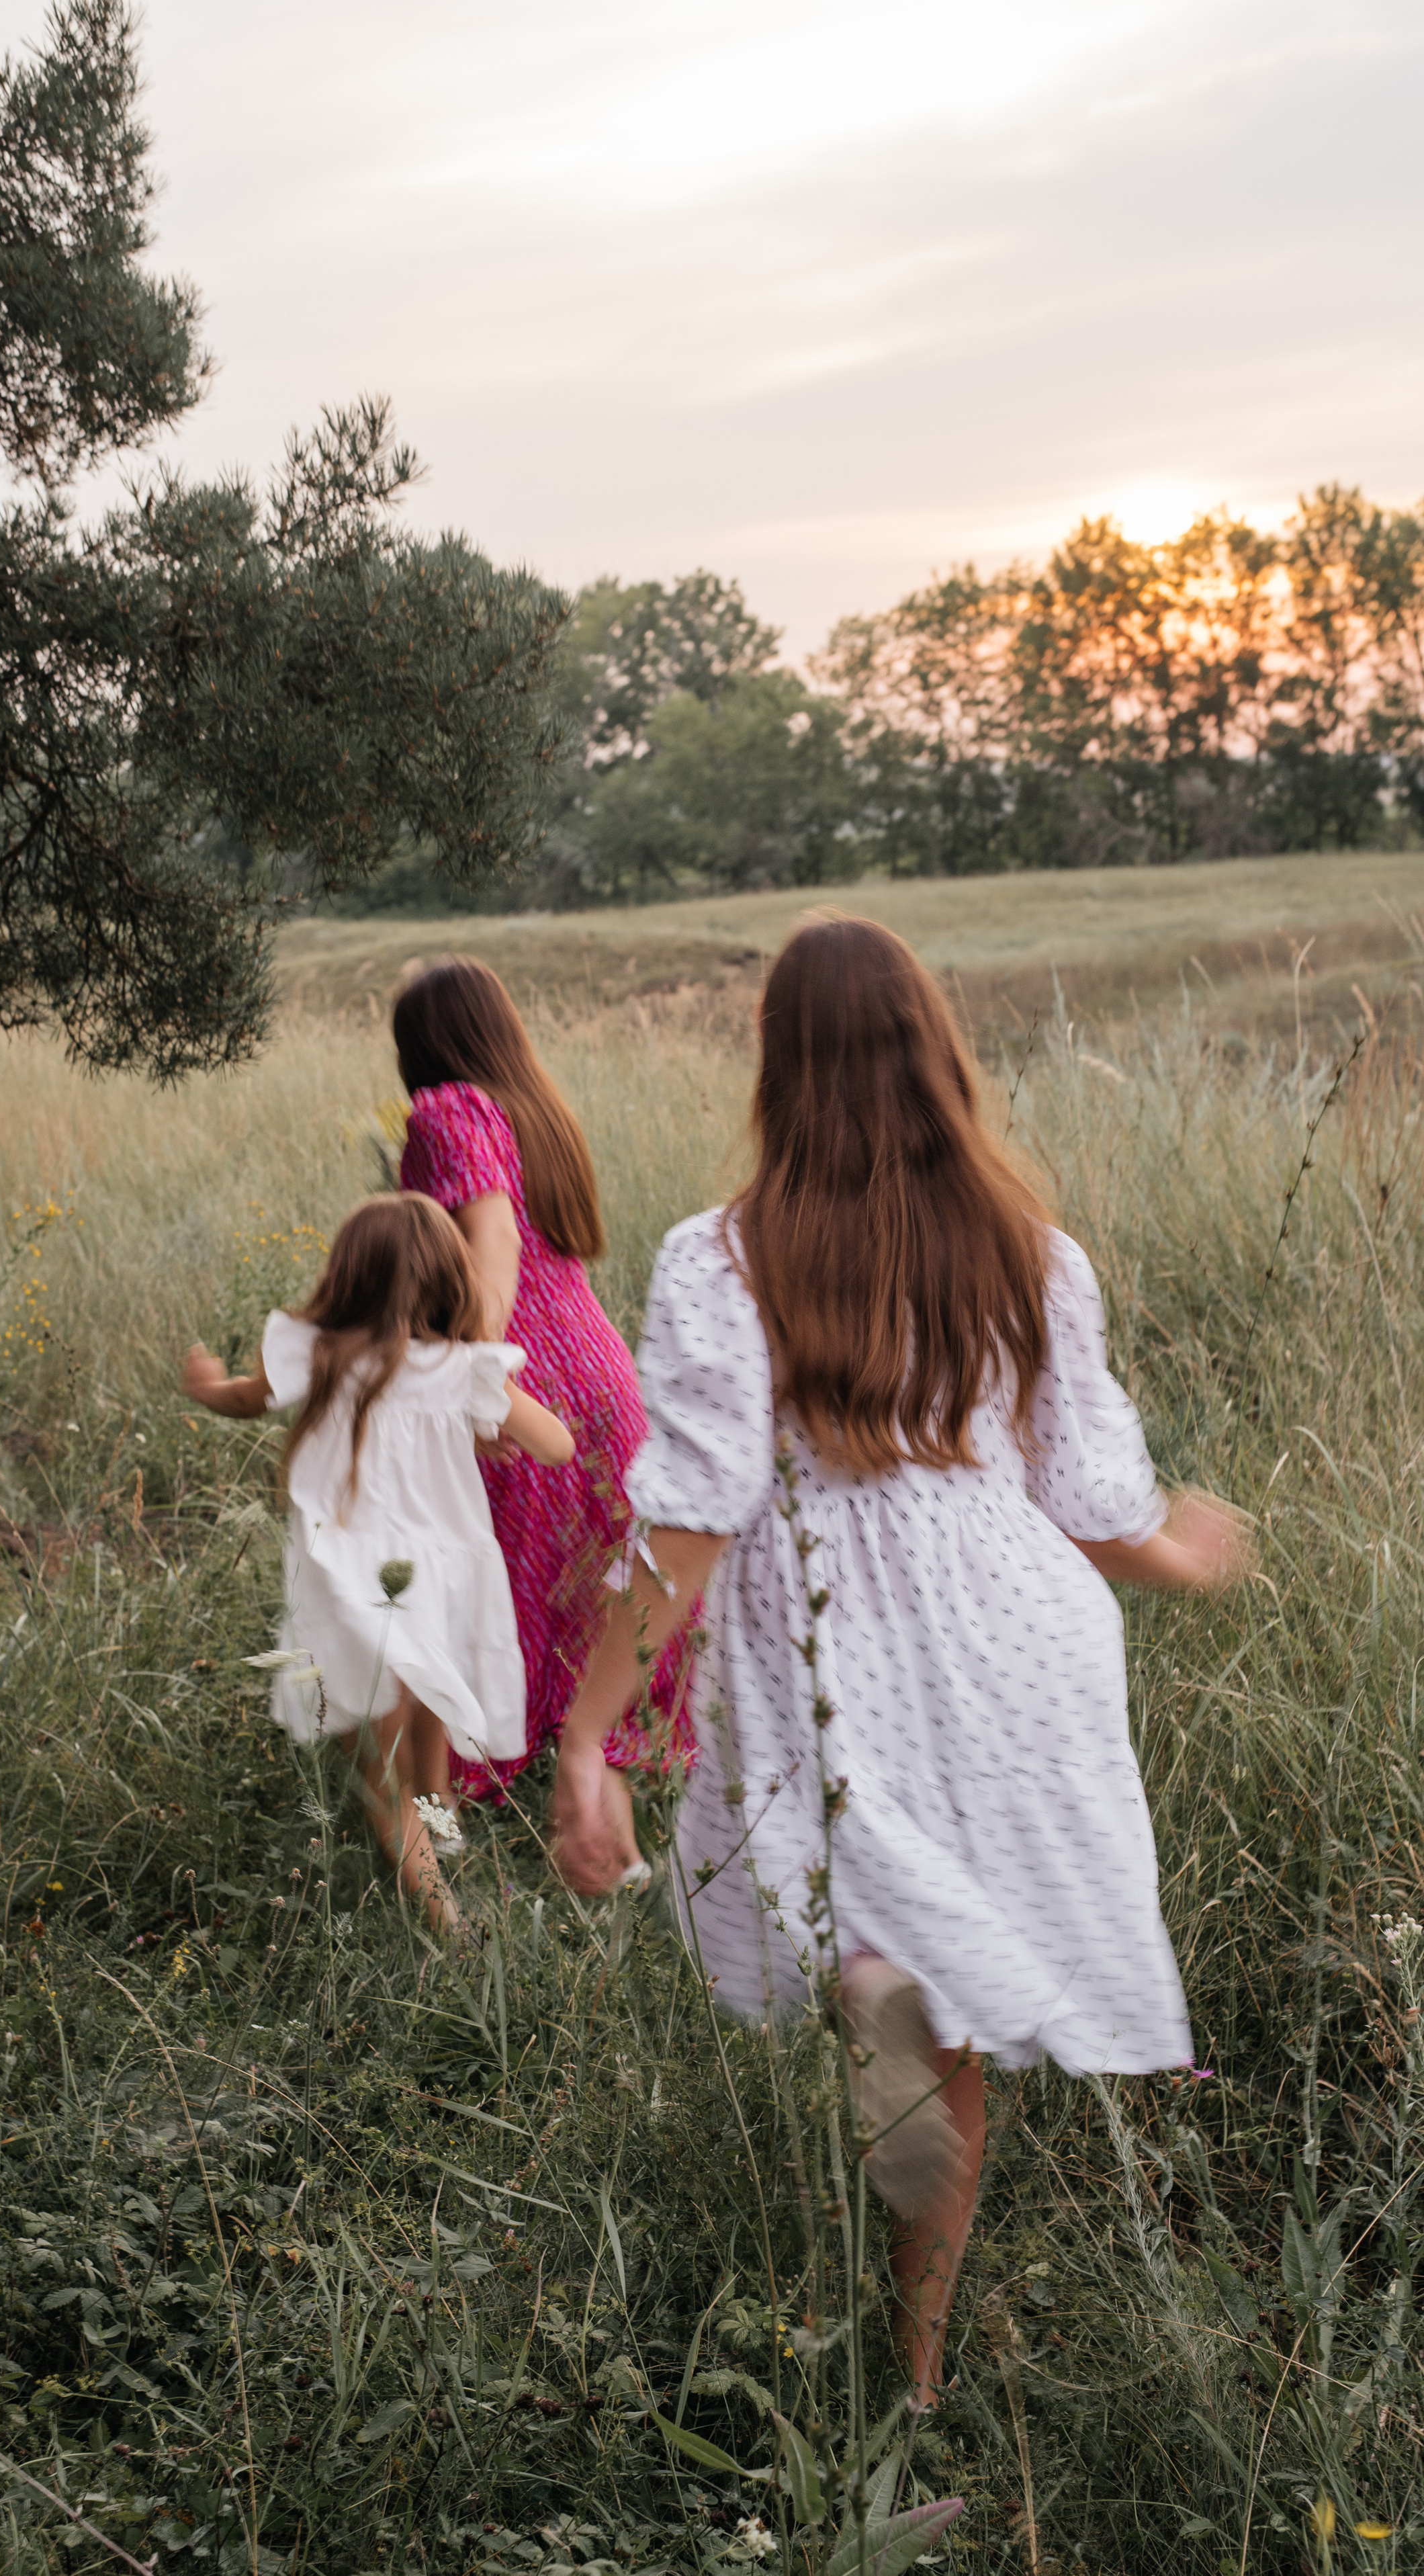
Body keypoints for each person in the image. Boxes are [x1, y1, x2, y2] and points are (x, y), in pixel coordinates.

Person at [547, 914, 1250, 2410]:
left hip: (829, 1625)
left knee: (870, 1932)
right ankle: (919, 2376)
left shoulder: (720, 1258)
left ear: (776, 1064)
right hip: (1013, 1630)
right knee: (944, 2022)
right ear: (936, 1051)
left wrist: (587, 1734)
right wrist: (1176, 1552)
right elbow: (1089, 1501)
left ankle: (877, 1982)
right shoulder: (1028, 1252)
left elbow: (688, 1517)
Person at [183, 1193, 574, 1925]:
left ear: (348, 1278)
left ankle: (445, 1925)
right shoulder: (461, 1370)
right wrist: (490, 1426)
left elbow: (244, 1398)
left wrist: (207, 1386)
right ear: (449, 1281)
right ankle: (446, 1848)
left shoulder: (320, 1354)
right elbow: (557, 1444)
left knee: (383, 1778)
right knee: (430, 1747)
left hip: (356, 1582)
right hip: (447, 1577)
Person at [395, 958, 693, 1856]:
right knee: (592, 1574)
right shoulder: (536, 1110)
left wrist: (474, 1373)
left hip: (526, 1376)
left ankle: (464, 1794)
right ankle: (608, 1755)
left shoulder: (446, 1109)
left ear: (423, 1044)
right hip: (597, 1365)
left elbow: (490, 1244)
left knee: (491, 1583)